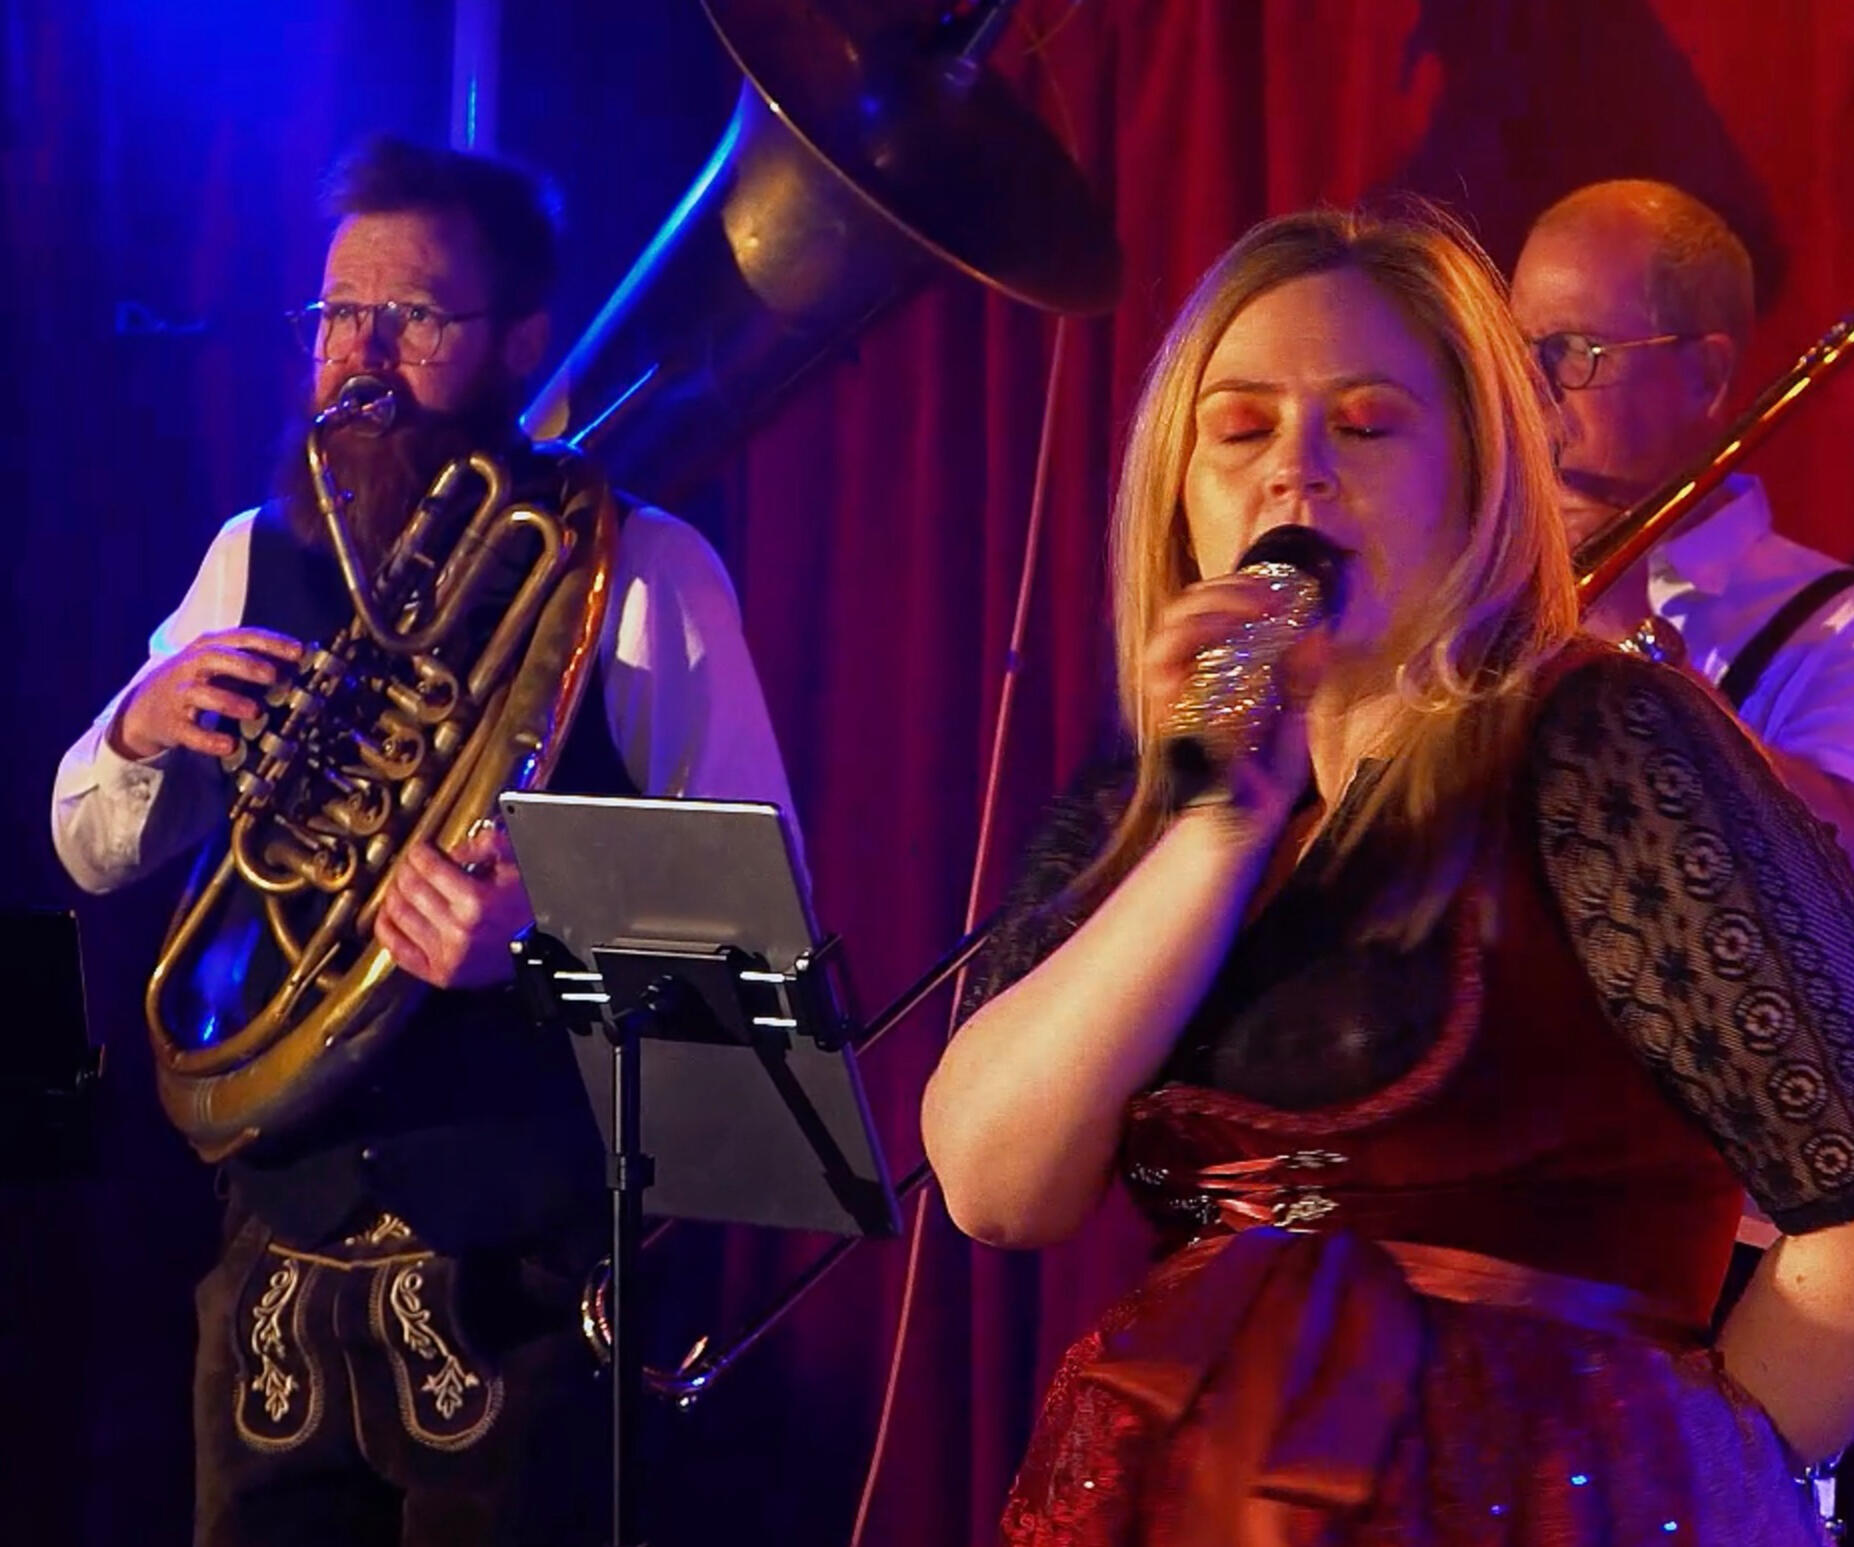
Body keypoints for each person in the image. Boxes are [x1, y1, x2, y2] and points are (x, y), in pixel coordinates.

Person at [923, 205, 1854, 1544]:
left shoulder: (1596, 735)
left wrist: (1699, 1473)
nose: (1292, 475)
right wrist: (1213, 834)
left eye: (1363, 427)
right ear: (1179, 489)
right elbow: (995, 1185)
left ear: (1478, 473)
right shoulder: (1153, 793)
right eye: (1239, 430)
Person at [51, 137, 797, 1547]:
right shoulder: (247, 557)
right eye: (337, 313)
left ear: (519, 342)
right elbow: (84, 847)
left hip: (521, 1280)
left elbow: (762, 955)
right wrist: (140, 728)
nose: (361, 355)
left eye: (414, 317)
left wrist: (544, 932)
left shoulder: (643, 570)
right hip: (271, 1260)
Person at [1510, 179, 1854, 855]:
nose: (1528, 389)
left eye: (1572, 349)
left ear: (1705, 375)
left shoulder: (1835, 627)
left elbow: (1838, 852)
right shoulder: (1486, 583)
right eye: (1516, 349)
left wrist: (1629, 634)